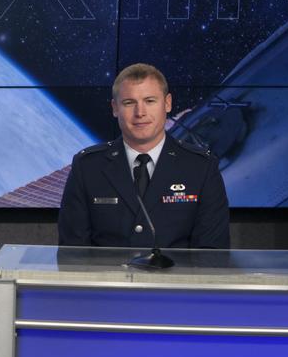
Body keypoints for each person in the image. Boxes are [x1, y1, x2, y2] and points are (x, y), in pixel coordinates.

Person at [59, 62, 230, 249]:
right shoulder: (88, 167)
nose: (140, 113)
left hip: (175, 278)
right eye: (129, 103)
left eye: (150, 101)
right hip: (109, 278)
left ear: (167, 103)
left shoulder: (201, 167)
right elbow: (73, 254)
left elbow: (212, 257)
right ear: (115, 108)